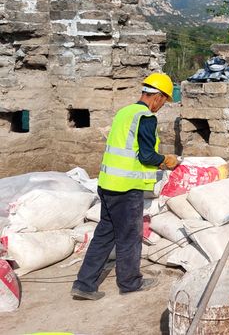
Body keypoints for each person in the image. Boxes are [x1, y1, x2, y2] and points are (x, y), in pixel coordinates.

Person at [71, 72, 179, 300]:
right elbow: (147, 155)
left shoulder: (124, 112)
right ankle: (130, 283)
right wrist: (165, 160)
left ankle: (84, 284)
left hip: (107, 183)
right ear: (157, 97)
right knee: (129, 236)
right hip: (126, 187)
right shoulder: (146, 117)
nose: (161, 106)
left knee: (104, 234)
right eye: (164, 101)